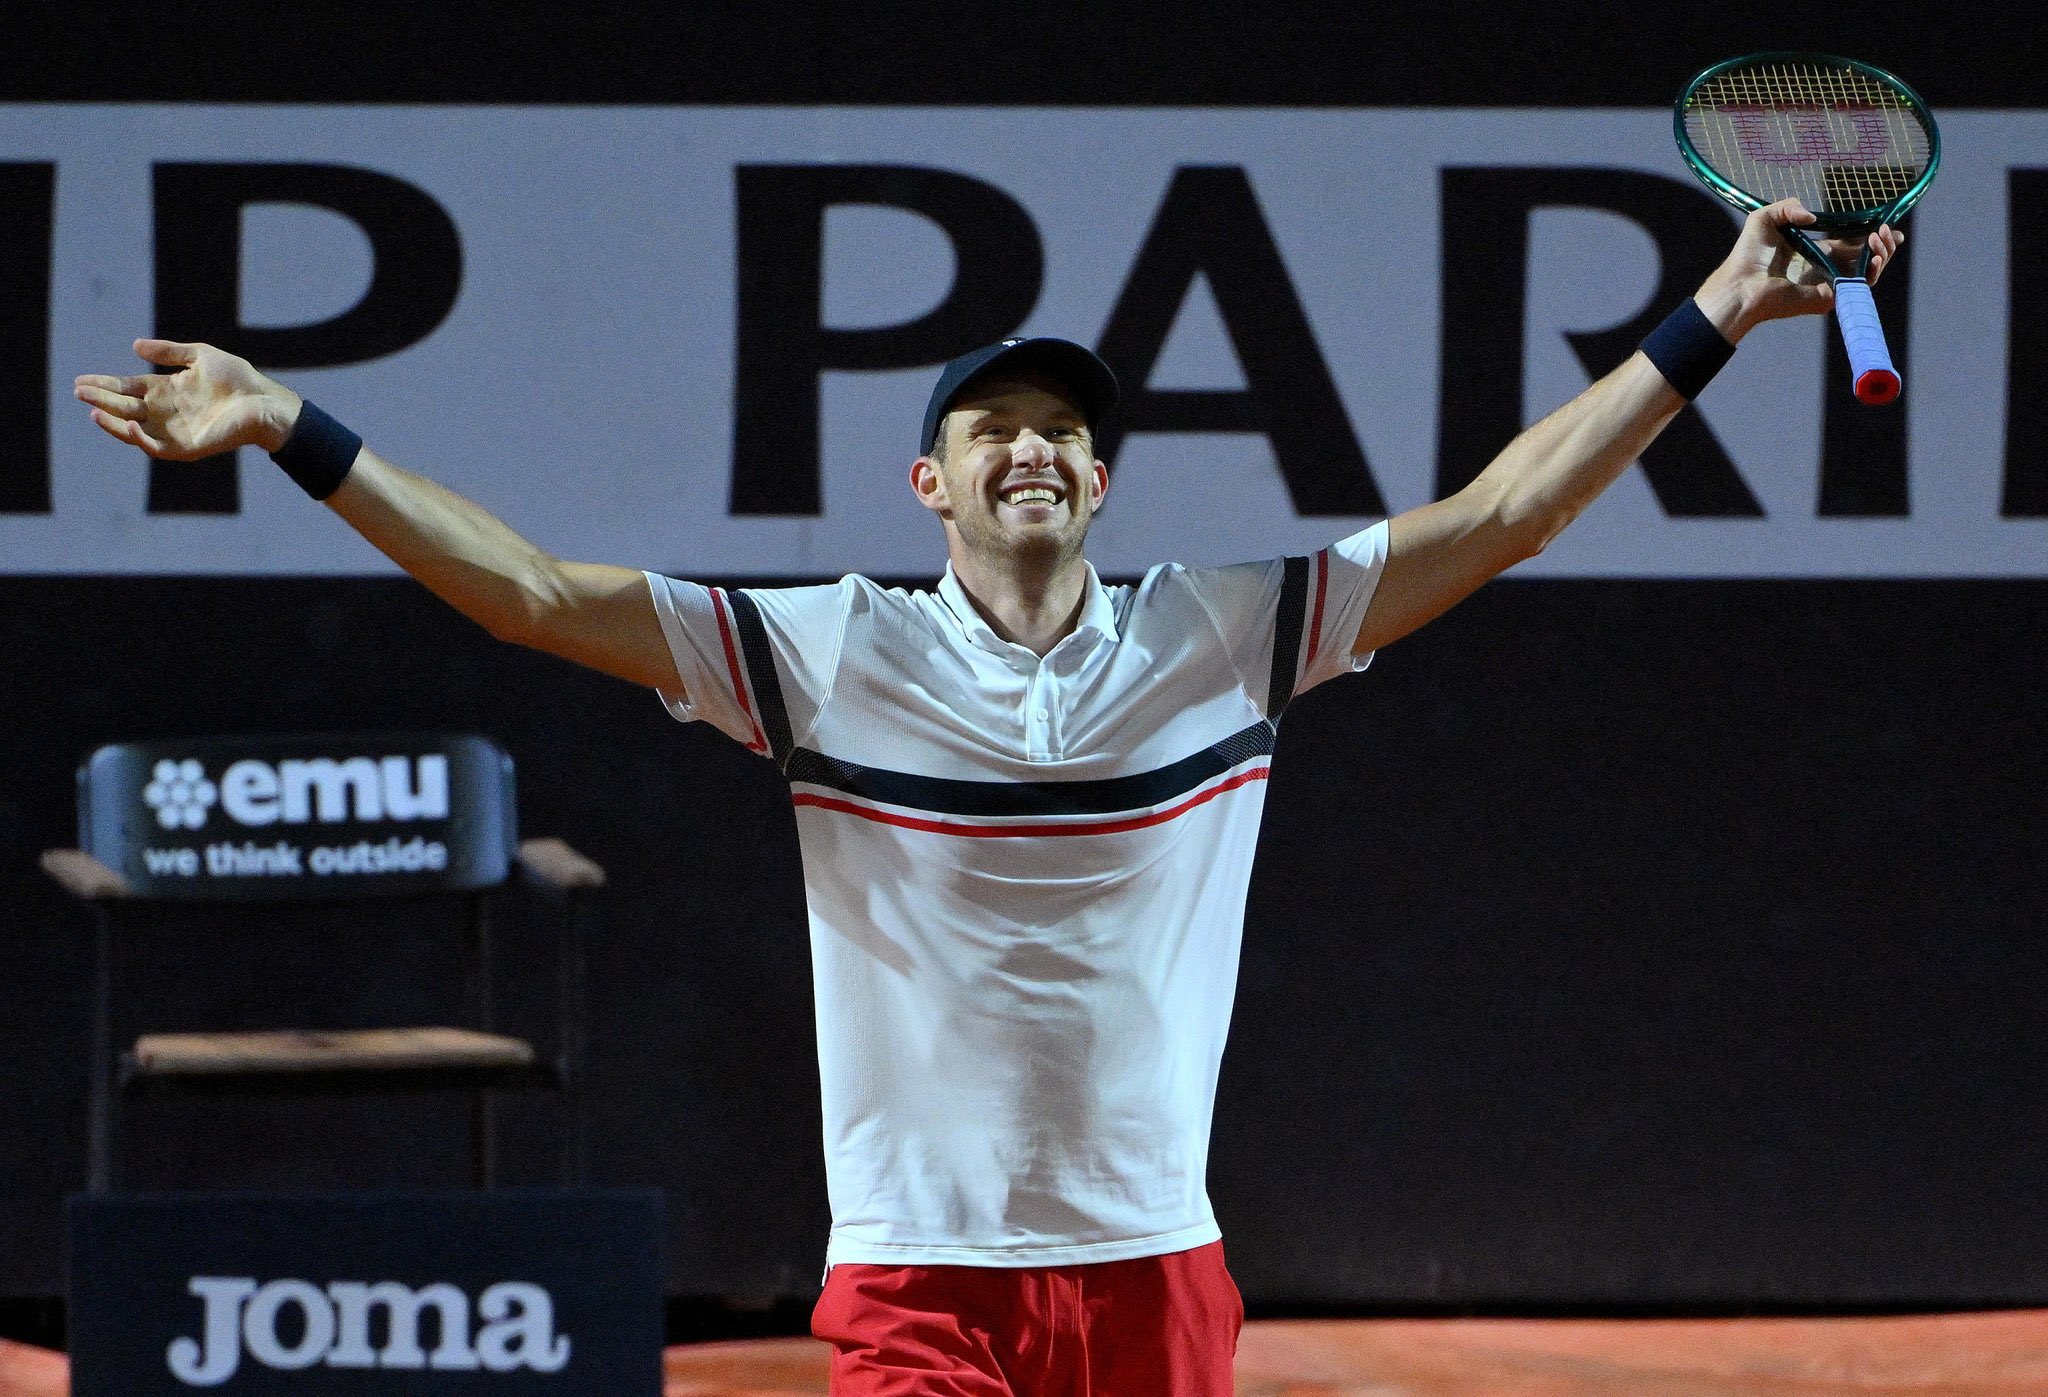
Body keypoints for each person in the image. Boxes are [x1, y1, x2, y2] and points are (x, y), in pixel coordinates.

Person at [77, 197, 1897, 1395]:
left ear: (1098, 479)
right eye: (988, 428)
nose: (1028, 444)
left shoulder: (1229, 631)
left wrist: (1719, 312)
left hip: (1152, 1268)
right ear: (930, 482)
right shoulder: (823, 652)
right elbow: (537, 594)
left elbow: (1506, 514)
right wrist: (299, 428)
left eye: (1060, 429)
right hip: (918, 1279)